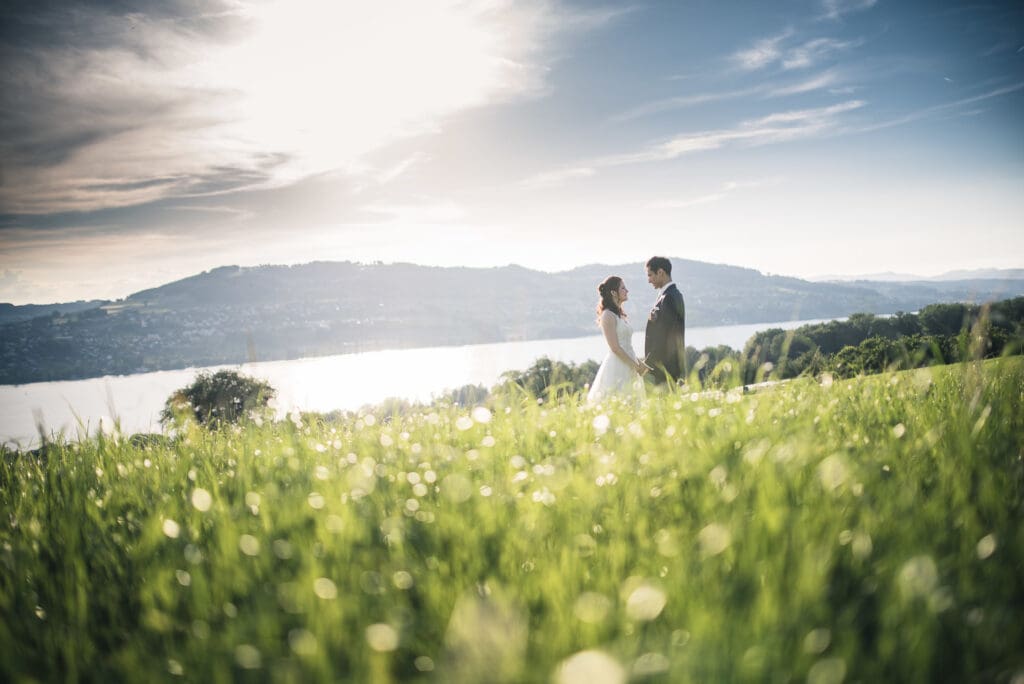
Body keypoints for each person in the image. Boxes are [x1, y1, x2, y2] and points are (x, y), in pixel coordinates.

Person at [587, 276, 648, 404]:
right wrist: (636, 366)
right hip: (617, 365)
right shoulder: (607, 315)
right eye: (623, 288)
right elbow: (615, 347)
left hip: (630, 362)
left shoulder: (619, 315)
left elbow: (627, 345)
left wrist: (638, 363)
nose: (627, 291)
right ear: (614, 292)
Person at [644, 256, 686, 386]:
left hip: (665, 368)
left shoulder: (669, 298)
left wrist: (647, 364)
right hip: (667, 366)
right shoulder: (671, 295)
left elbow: (663, 336)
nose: (649, 280)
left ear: (660, 272)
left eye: (650, 275)